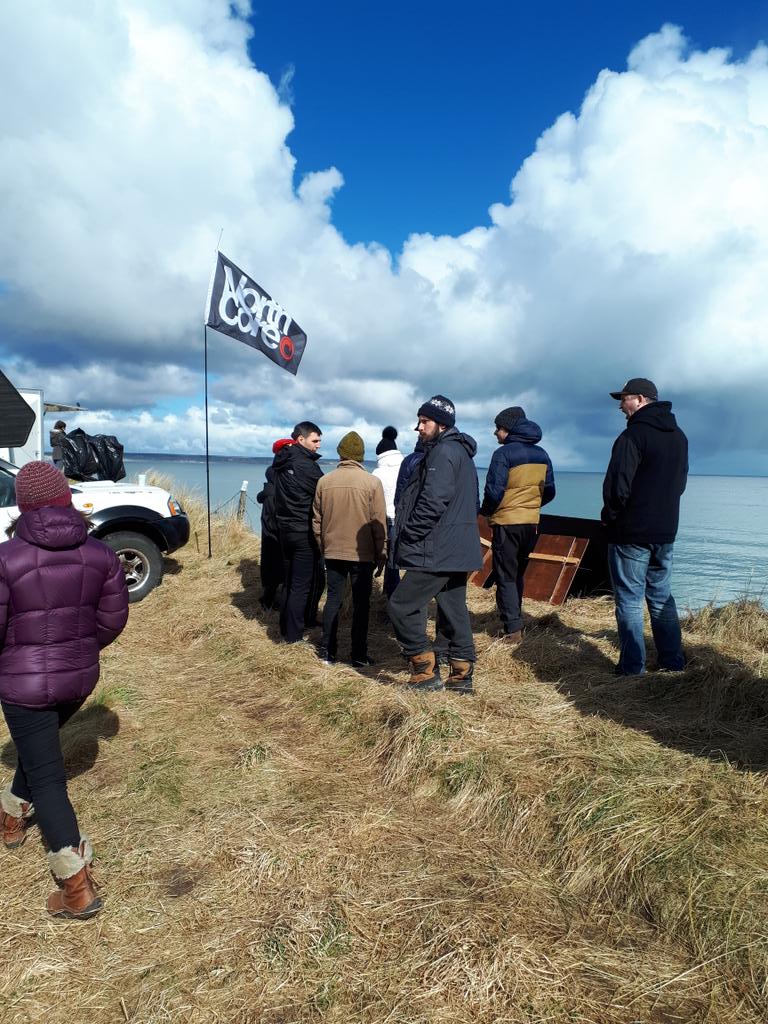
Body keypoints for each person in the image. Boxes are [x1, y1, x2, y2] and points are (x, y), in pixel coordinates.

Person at [0, 461, 128, 919]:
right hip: (78, 679)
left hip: (23, 683)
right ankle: (12, 818)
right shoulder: (102, 554)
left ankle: (76, 889)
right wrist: (78, 649)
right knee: (40, 754)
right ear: (64, 499)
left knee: (48, 776)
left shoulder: (5, 557)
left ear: (23, 504)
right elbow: (112, 619)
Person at [388, 395, 482, 694]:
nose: (418, 427)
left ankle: (424, 671)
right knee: (454, 609)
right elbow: (473, 503)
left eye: (424, 421)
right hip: (457, 547)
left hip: (437, 548)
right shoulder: (462, 454)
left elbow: (433, 501)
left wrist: (411, 534)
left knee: (401, 604)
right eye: (418, 421)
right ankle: (461, 676)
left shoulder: (442, 453)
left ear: (442, 424)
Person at [601, 378, 688, 676]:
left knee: (629, 599)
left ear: (639, 399)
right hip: (665, 531)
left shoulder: (632, 437)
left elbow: (616, 488)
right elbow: (680, 484)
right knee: (662, 597)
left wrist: (610, 517)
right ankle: (672, 663)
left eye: (623, 399)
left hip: (631, 533)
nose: (620, 407)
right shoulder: (679, 436)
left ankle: (632, 668)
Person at [480, 407, 555, 642]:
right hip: (531, 523)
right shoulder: (542, 454)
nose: (495, 433)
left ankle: (512, 630)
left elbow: (493, 492)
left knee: (505, 575)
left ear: (508, 429)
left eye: (498, 428)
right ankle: (516, 618)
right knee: (518, 573)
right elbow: (551, 491)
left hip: (507, 522)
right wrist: (531, 505)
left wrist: (486, 513)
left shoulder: (503, 454)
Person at [312, 432, 387, 667]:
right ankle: (358, 655)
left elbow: (316, 521)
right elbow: (378, 523)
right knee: (361, 604)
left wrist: (323, 546)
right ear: (361, 456)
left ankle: (327, 652)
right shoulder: (372, 483)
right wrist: (381, 554)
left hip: (333, 551)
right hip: (362, 554)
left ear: (341, 453)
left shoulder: (325, 481)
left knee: (333, 599)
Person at [273, 420, 324, 643]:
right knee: (301, 585)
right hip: (302, 530)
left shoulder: (282, 461)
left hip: (284, 529)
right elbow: (323, 492)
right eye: (315, 440)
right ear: (301, 440)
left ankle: (285, 628)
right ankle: (293, 636)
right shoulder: (306, 466)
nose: (319, 445)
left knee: (290, 581)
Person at [256, 438, 294, 610]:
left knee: (272, 566)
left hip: (274, 529)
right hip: (276, 532)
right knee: (276, 566)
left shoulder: (275, 474)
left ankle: (271, 598)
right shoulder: (280, 475)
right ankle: (270, 600)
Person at [372, 426, 403, 598]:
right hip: (402, 519)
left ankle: (391, 599)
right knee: (394, 563)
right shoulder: (406, 467)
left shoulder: (378, 473)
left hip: (386, 520)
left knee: (388, 562)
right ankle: (391, 596)